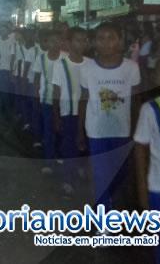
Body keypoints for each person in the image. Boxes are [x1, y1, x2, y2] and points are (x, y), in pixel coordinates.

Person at [78, 23, 140, 212]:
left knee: (119, 173)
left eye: (110, 38)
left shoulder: (131, 68)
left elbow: (135, 101)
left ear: (120, 41)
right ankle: (104, 219)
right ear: (94, 43)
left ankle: (111, 201)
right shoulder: (87, 69)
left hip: (122, 130)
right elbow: (83, 100)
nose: (105, 43)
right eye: (101, 38)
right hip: (96, 131)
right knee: (100, 174)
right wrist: (80, 132)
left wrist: (137, 132)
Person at [134, 60, 160, 264]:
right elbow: (140, 151)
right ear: (157, 78)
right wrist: (142, 191)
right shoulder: (150, 110)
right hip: (159, 190)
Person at [52, 27, 90, 197]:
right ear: (68, 42)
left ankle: (80, 169)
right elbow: (56, 92)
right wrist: (56, 116)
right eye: (77, 40)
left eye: (84, 40)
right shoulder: (60, 65)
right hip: (68, 112)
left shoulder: (91, 64)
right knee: (69, 146)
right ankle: (68, 180)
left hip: (89, 113)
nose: (81, 44)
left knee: (83, 145)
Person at [33, 29, 65, 174]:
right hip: (46, 99)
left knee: (61, 129)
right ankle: (48, 160)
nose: (55, 44)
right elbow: (36, 79)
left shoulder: (66, 58)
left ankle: (59, 154)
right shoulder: (41, 58)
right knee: (48, 130)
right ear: (46, 43)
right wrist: (36, 97)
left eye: (58, 41)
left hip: (64, 101)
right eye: (52, 41)